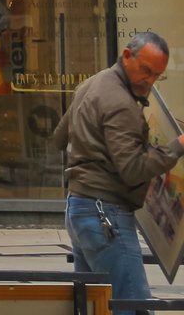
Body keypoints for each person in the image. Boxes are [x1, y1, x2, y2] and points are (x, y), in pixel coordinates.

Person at [51, 31, 184, 313]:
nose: (149, 81)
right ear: (126, 56)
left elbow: (59, 137)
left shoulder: (91, 84)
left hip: (79, 209)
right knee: (131, 306)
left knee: (96, 306)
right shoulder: (121, 102)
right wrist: (176, 147)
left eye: (156, 75)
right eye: (146, 71)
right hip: (105, 215)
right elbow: (133, 170)